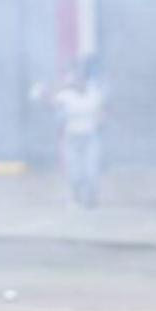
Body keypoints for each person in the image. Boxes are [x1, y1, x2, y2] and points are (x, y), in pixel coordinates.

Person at [52, 73, 106, 209]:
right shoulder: (66, 95)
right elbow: (52, 104)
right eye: (74, 82)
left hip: (90, 138)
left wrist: (100, 119)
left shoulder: (94, 95)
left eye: (80, 81)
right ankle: (76, 196)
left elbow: (102, 112)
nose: (77, 85)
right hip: (72, 138)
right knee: (74, 171)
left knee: (91, 170)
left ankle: (91, 198)